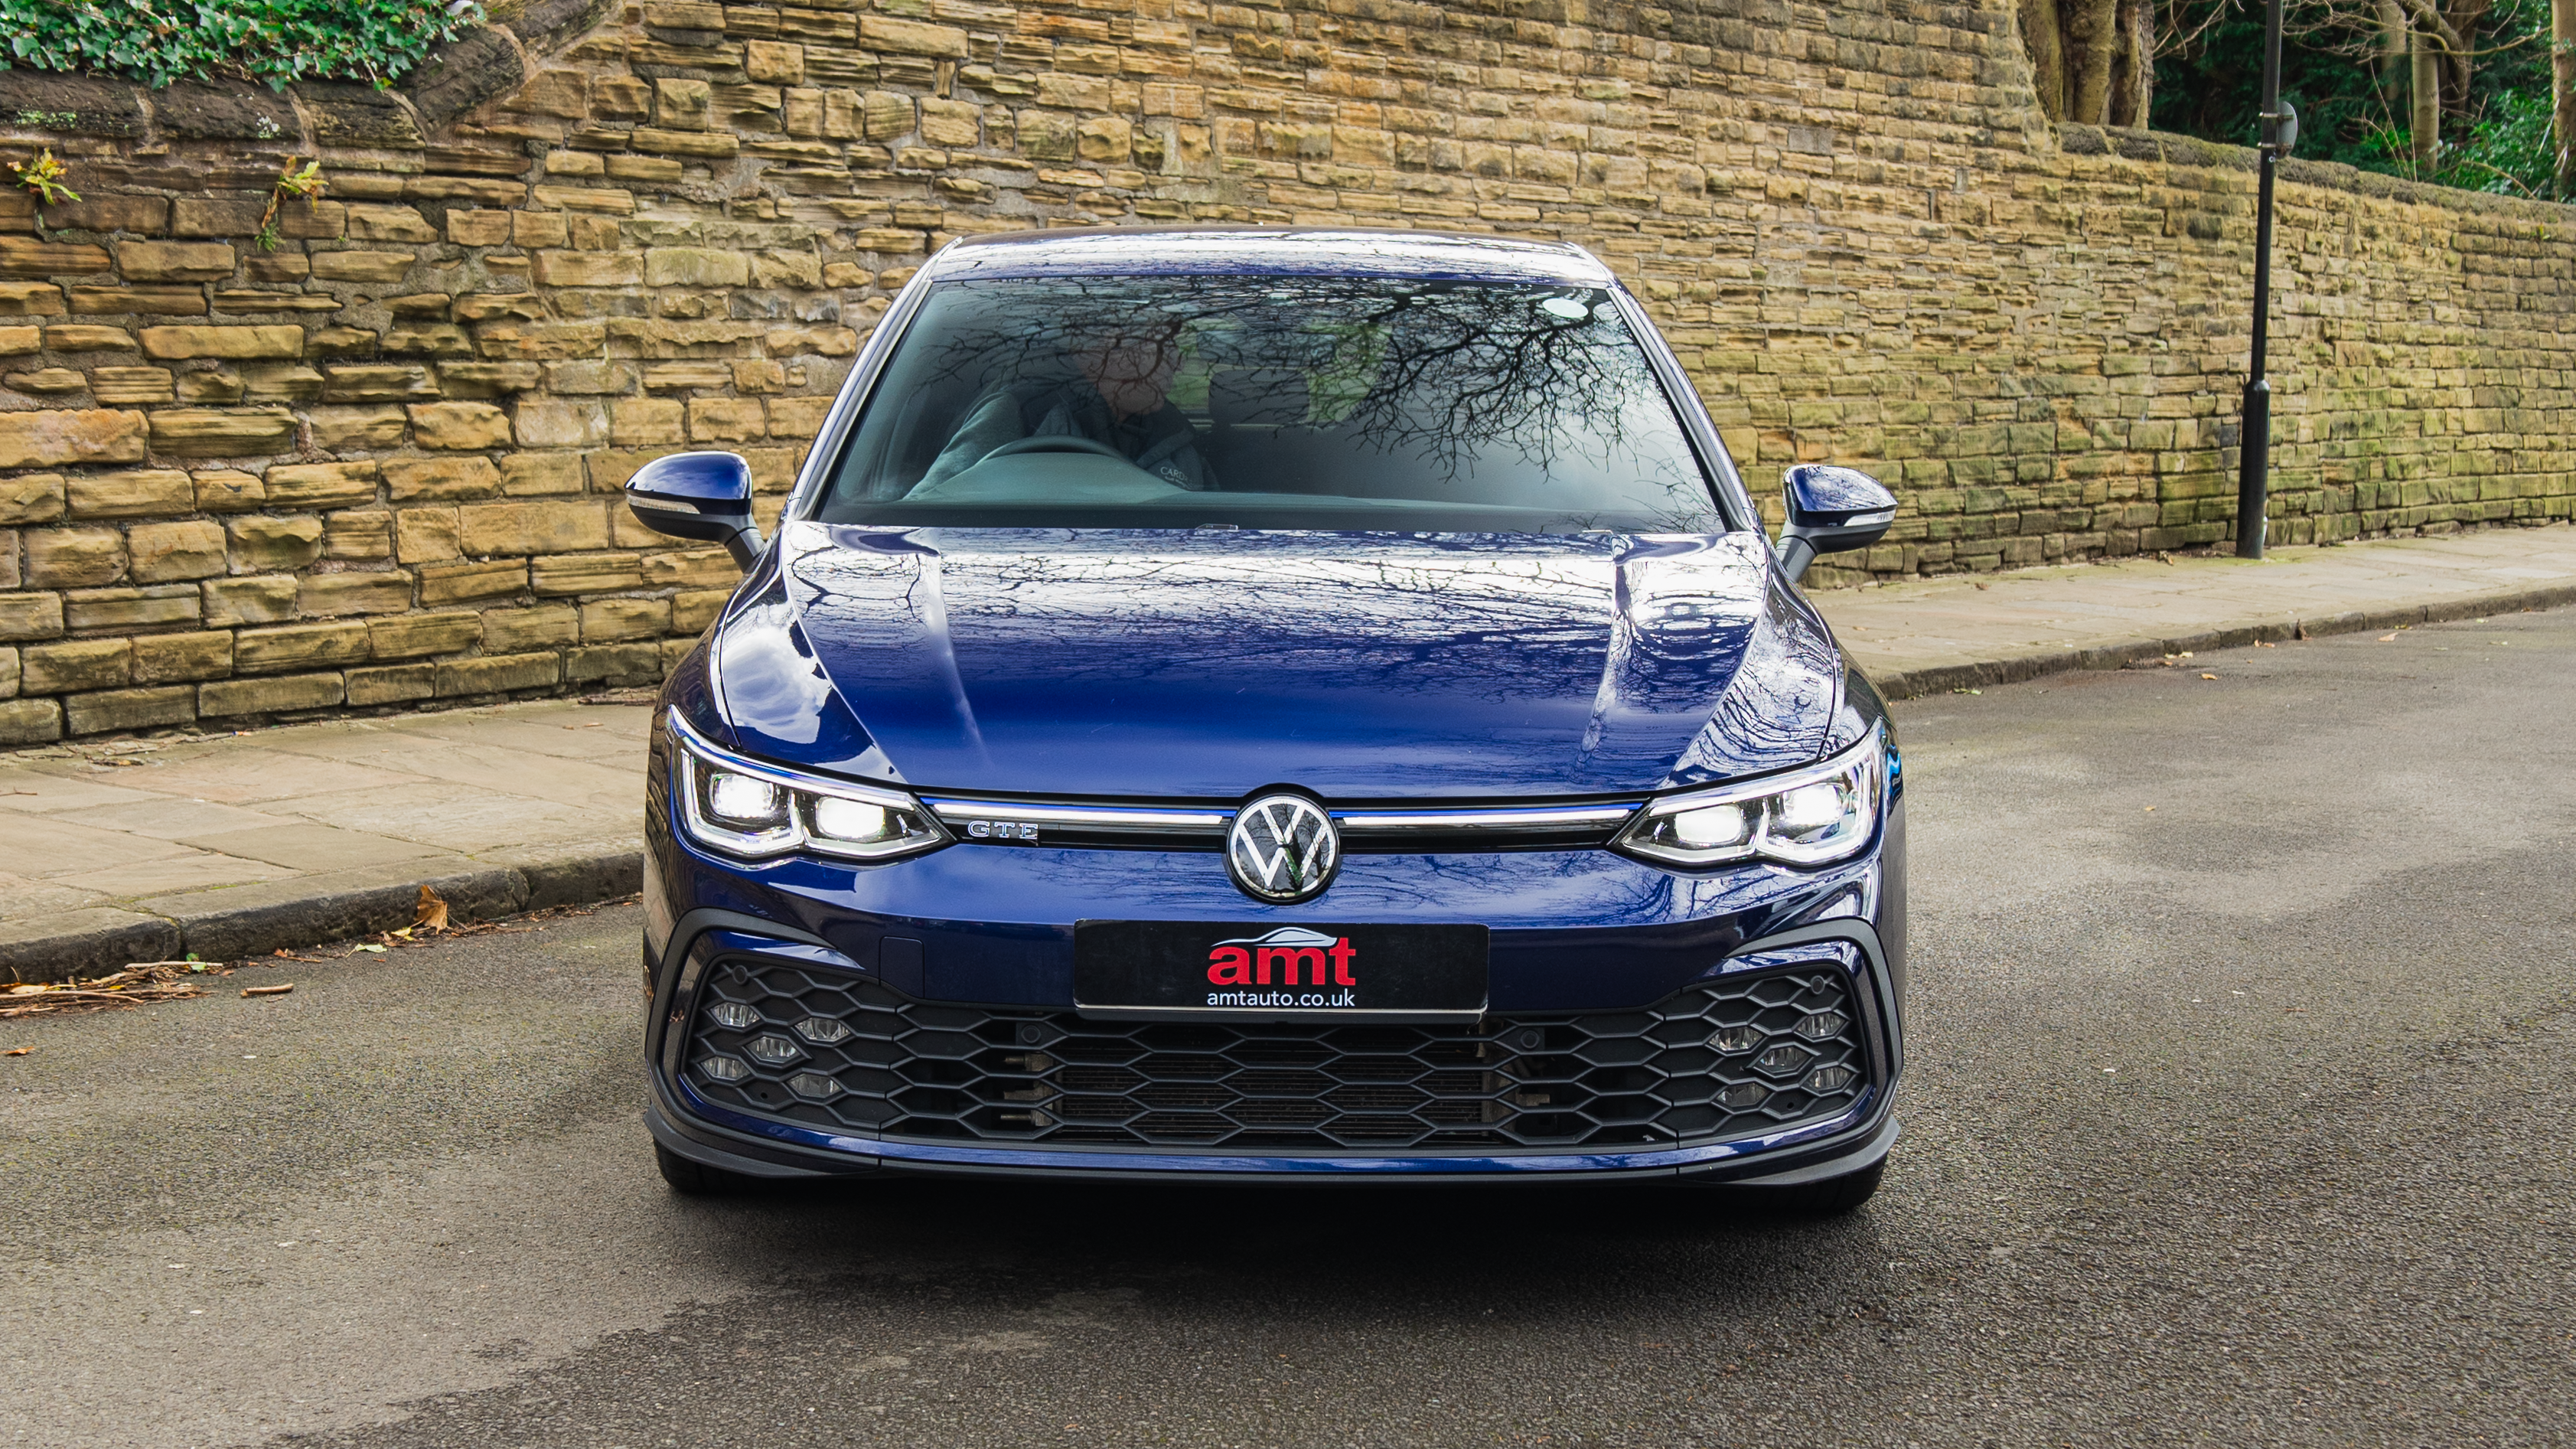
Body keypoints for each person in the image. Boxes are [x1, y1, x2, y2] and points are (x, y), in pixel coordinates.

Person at [917, 322, 1214, 491]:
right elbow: (930, 503)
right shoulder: (1024, 413)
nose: (1173, 366)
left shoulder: (1177, 436)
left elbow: (1218, 520)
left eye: (1171, 351)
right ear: (1091, 358)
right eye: (1150, 350)